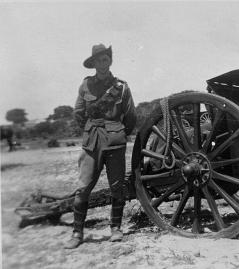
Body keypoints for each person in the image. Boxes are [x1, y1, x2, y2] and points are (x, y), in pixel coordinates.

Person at [65, 44, 136, 249]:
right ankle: (77, 233)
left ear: (110, 61)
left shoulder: (122, 87)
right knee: (83, 187)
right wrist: (89, 129)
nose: (102, 63)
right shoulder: (86, 85)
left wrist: (118, 132)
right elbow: (78, 112)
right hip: (92, 141)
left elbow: (130, 116)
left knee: (117, 187)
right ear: (93, 64)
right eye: (98, 60)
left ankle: (116, 228)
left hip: (115, 143)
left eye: (105, 59)